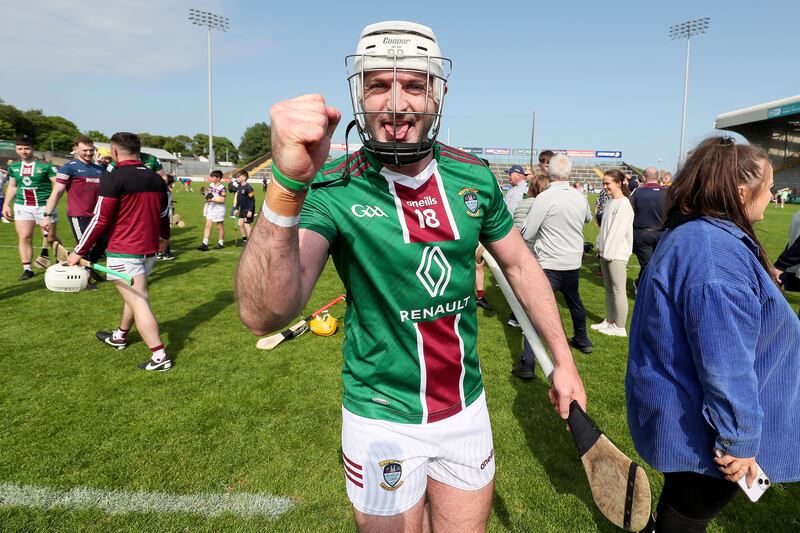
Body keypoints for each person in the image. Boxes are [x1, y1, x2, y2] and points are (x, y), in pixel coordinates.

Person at [236, 20, 586, 531]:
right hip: (380, 417)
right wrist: (287, 185)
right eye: (379, 84)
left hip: (465, 410)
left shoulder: (473, 177)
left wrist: (563, 361)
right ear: (359, 94)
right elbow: (262, 313)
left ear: (437, 96)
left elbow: (519, 265)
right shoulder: (332, 187)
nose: (396, 103)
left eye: (414, 85)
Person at [627, 136, 800, 532]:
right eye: (769, 186)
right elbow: (726, 365)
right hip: (708, 439)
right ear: (741, 193)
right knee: (685, 518)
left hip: (693, 424)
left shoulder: (702, 236)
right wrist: (739, 442)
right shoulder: (711, 255)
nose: (773, 194)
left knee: (679, 515)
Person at [67, 132, 172, 372]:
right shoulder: (157, 179)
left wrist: (78, 252)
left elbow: (100, 219)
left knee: (138, 300)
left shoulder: (114, 178)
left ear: (114, 151)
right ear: (139, 150)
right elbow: (164, 215)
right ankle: (120, 337)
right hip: (149, 250)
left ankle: (159, 357)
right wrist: (165, 238)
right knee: (134, 295)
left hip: (125, 250)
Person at [523, 154, 594, 354]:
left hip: (549, 263)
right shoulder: (578, 195)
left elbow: (528, 232)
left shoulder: (545, 197)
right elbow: (588, 218)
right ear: (570, 173)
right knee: (575, 302)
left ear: (548, 171)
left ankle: (528, 361)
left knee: (537, 311)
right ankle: (582, 339)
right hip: (572, 262)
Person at [42, 136, 107, 283]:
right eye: (85, 150)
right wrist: (47, 216)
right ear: (75, 149)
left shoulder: (99, 169)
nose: (89, 153)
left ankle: (87, 267)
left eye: (91, 150)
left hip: (98, 216)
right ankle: (84, 277)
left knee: (104, 242)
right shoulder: (68, 167)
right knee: (85, 245)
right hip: (79, 215)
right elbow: (56, 193)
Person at [1, 136, 59, 280]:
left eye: (26, 148)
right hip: (23, 206)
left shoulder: (46, 166)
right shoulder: (13, 166)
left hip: (44, 206)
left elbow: (58, 186)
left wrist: (50, 207)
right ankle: (27, 269)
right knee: (24, 236)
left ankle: (62, 262)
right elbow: (13, 186)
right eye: (19, 148)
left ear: (32, 148)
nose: (23, 151)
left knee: (51, 238)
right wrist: (6, 204)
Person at [511, 173, 550, 379]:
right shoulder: (549, 205)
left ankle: (529, 361)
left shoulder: (525, 203)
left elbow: (517, 229)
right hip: (545, 259)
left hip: (525, 257)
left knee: (530, 310)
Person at [591, 170, 633, 337]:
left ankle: (620, 326)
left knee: (618, 290)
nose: (605, 186)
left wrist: (606, 252)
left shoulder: (624, 204)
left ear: (619, 183)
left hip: (616, 254)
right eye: (604, 183)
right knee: (609, 289)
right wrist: (599, 247)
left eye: (608, 183)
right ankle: (610, 320)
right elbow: (604, 230)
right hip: (605, 252)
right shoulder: (609, 203)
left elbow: (617, 232)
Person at [630, 166, 666, 287]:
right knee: (654, 266)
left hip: (642, 234)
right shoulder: (668, 192)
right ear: (657, 178)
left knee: (648, 266)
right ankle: (643, 286)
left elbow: (629, 212)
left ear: (644, 177)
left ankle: (641, 285)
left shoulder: (638, 192)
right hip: (662, 234)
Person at [197, 170, 226, 251]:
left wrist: (212, 200)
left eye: (213, 177)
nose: (211, 178)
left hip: (219, 209)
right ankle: (204, 244)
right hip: (211, 207)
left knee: (219, 226)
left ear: (218, 178)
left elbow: (222, 200)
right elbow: (210, 195)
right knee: (207, 225)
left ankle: (221, 243)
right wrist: (206, 197)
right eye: (211, 177)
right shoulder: (211, 185)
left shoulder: (222, 188)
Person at [234, 171, 256, 244]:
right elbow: (238, 199)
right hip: (242, 209)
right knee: (240, 224)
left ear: (244, 177)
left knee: (246, 224)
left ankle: (251, 241)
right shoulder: (239, 186)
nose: (237, 178)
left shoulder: (248, 187)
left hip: (248, 209)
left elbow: (253, 200)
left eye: (238, 177)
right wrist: (236, 208)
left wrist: (250, 210)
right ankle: (244, 239)